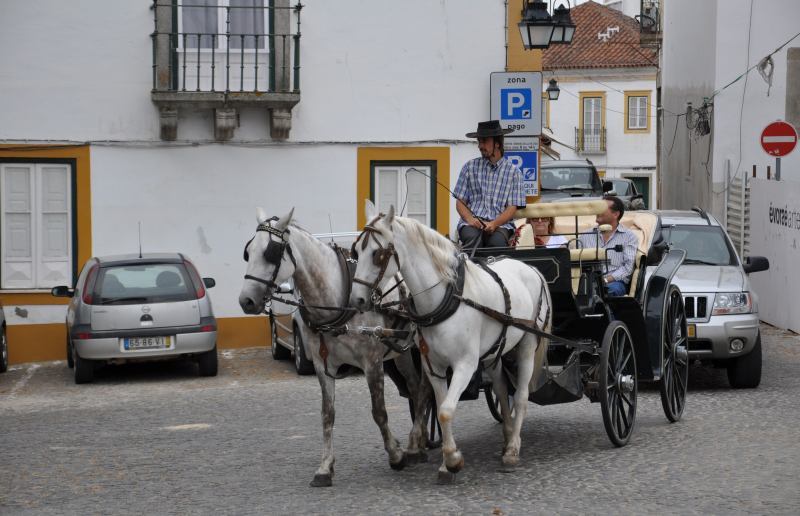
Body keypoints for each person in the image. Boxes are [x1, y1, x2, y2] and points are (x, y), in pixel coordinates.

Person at [453, 120, 526, 249]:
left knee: (496, 244)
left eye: (484, 141)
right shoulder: (469, 167)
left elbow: (511, 208)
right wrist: (470, 219)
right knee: (472, 240)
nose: (480, 146)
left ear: (497, 143)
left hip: (501, 225)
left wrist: (494, 223)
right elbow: (460, 202)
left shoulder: (514, 173)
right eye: (479, 141)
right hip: (472, 223)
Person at [578, 196, 639, 296]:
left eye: (602, 208)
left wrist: (605, 280)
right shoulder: (585, 235)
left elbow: (628, 268)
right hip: (588, 281)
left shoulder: (629, 237)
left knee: (608, 291)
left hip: (614, 282)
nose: (598, 211)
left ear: (615, 214)